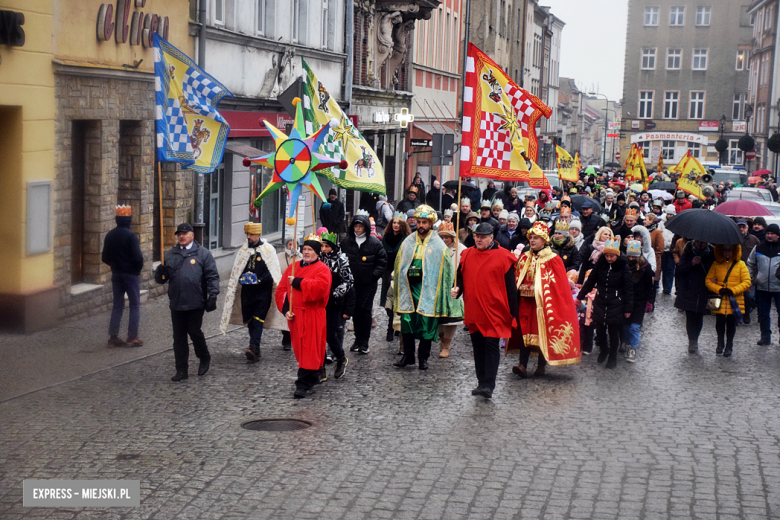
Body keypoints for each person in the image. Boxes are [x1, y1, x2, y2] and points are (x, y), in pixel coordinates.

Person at [452, 223, 519, 398]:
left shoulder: (504, 256)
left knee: (491, 346)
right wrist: (458, 289)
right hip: (474, 309)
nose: (478, 239)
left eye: (482, 236)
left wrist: (514, 313)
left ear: (492, 237)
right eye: (476, 236)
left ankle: (489, 384)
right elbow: (460, 276)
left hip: (495, 310)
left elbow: (511, 288)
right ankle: (481, 382)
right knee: (478, 347)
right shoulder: (467, 254)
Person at [508, 221, 581, 377]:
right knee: (524, 333)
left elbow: (558, 285)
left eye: (536, 238)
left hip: (543, 304)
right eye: (531, 237)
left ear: (544, 240)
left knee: (542, 333)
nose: (532, 240)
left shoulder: (553, 258)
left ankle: (541, 365)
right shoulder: (524, 256)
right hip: (524, 301)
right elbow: (517, 277)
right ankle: (522, 365)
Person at [393, 205, 461, 370]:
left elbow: (446, 271)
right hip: (410, 288)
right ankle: (408, 356)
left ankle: (423, 357)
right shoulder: (408, 241)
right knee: (407, 321)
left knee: (427, 323)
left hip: (429, 290)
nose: (421, 225)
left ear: (431, 224)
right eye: (419, 222)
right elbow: (399, 265)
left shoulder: (438, 245)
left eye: (424, 222)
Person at [154, 223, 220, 382]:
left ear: (192, 235)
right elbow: (162, 280)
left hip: (196, 301)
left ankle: (204, 356)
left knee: (194, 331)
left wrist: (213, 295)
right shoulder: (169, 254)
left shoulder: (203, 254)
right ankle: (181, 369)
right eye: (179, 234)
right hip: (177, 301)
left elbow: (212, 276)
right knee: (179, 337)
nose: (181, 236)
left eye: (184, 233)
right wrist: (160, 274)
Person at [275, 234, 332, 398]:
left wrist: (298, 282)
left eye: (310, 250)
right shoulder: (293, 267)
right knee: (301, 350)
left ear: (316, 252)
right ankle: (313, 376)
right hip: (296, 315)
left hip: (313, 314)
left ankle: (302, 384)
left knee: (310, 349)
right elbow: (281, 290)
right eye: (305, 249)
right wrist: (286, 309)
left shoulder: (322, 269)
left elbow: (321, 289)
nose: (306, 252)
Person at [220, 222, 282, 363]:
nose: (248, 237)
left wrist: (260, 280)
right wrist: (241, 278)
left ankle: (253, 347)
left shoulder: (268, 250)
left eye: (251, 235)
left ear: (258, 234)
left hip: (262, 292)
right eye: (247, 234)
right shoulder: (243, 251)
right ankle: (256, 348)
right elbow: (238, 269)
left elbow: (273, 271)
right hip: (247, 292)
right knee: (249, 320)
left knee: (258, 319)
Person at [577, 237, 632, 369]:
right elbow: (590, 281)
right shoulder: (600, 265)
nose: (609, 258)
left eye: (612, 256)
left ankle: (612, 356)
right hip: (601, 300)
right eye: (607, 255)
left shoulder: (623, 267)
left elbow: (628, 289)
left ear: (617, 255)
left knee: (613, 331)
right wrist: (580, 296)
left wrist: (628, 308)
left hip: (616, 302)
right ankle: (604, 349)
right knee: (600, 330)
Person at [340, 210, 388, 354]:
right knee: (354, 311)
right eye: (356, 226)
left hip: (368, 283)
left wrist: (373, 276)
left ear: (366, 227)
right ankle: (357, 339)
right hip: (351, 283)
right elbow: (340, 260)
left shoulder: (374, 243)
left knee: (365, 310)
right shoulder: (346, 242)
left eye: (360, 226)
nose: (358, 229)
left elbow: (382, 261)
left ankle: (364, 341)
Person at [102, 205, 144, 348]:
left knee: (117, 305)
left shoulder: (110, 235)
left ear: (116, 219)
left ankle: (113, 337)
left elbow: (104, 257)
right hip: (130, 275)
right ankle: (132, 336)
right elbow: (138, 258)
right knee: (134, 305)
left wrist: (115, 265)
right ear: (128, 220)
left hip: (116, 274)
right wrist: (136, 270)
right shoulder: (131, 236)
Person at [319, 232, 355, 380]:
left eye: (327, 246)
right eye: (322, 246)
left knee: (329, 335)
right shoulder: (318, 259)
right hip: (318, 304)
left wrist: (335, 293)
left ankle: (340, 358)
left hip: (333, 304)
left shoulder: (341, 260)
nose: (323, 249)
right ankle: (319, 367)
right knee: (318, 335)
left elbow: (348, 281)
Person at [706, 244, 750, 357]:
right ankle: (720, 342)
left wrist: (734, 290)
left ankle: (729, 344)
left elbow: (746, 282)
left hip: (734, 299)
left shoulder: (741, 265)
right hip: (720, 299)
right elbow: (708, 281)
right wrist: (719, 289)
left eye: (729, 251)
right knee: (719, 322)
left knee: (731, 323)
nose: (727, 253)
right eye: (724, 251)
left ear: (734, 251)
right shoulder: (716, 264)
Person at [675, 239, 716, 353]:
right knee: (690, 316)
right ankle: (691, 340)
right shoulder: (688, 252)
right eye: (698, 242)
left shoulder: (712, 254)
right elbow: (679, 271)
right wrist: (692, 263)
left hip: (704, 290)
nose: (700, 245)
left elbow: (714, 271)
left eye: (702, 243)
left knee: (699, 316)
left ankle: (695, 339)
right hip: (689, 289)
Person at [264, 239, 301, 351]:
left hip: (297, 290)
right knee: (285, 315)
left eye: (295, 244)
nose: (292, 247)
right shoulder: (279, 256)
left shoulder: (302, 257)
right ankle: (286, 339)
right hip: (284, 290)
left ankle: (295, 337)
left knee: (296, 316)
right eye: (290, 244)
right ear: (286, 245)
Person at [747, 223, 780, 345]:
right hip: (762, 287)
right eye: (768, 233)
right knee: (763, 314)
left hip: (779, 288)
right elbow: (750, 263)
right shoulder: (758, 248)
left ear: (778, 235)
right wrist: (751, 279)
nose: (770, 236)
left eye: (772, 234)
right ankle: (765, 336)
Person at [381, 213, 411, 342]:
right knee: (388, 300)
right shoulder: (386, 238)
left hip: (401, 272)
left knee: (398, 300)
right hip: (387, 272)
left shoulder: (406, 239)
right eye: (394, 223)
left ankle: (395, 327)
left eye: (398, 223)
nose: (396, 225)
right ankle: (390, 325)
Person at [623, 240, 654, 363]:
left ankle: (633, 348)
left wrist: (649, 301)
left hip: (639, 301)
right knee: (625, 325)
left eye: (633, 256)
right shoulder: (623, 265)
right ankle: (626, 342)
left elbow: (649, 286)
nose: (631, 258)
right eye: (629, 256)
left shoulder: (645, 267)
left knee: (634, 327)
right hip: (626, 300)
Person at [438, 228, 466, 358]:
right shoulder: (435, 247)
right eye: (441, 237)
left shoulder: (461, 249)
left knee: (451, 319)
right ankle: (441, 338)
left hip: (453, 286)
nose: (444, 240)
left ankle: (446, 346)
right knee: (438, 318)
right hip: (438, 286)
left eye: (446, 238)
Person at [737, 219, 760, 323]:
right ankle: (737, 316)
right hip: (735, 272)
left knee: (749, 296)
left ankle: (746, 313)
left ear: (747, 228)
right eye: (739, 227)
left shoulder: (754, 239)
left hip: (749, 273)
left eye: (743, 227)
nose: (741, 229)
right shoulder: (734, 238)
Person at [660, 207, 677, 295]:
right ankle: (664, 285)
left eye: (671, 214)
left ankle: (668, 287)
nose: (669, 216)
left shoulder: (676, 223)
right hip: (663, 249)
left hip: (672, 249)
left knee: (670, 269)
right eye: (668, 214)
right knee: (664, 268)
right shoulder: (662, 222)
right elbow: (660, 233)